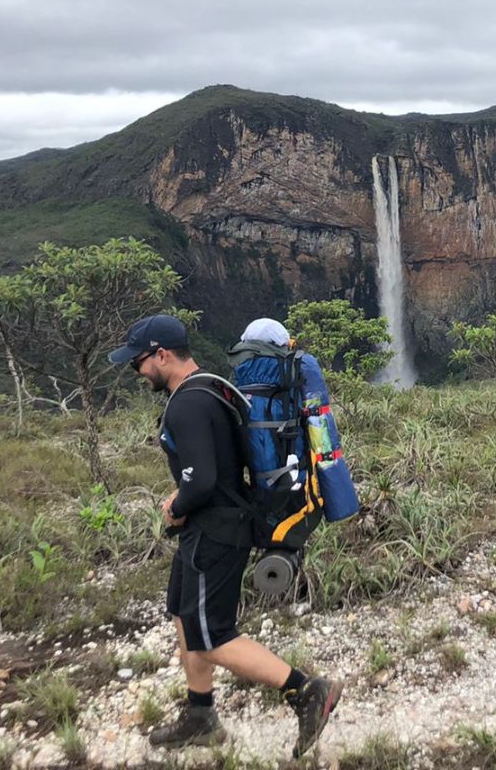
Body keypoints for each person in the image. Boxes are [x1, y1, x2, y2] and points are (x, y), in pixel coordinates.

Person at [108, 314, 342, 755]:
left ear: (161, 355)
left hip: (214, 534)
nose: (136, 372)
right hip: (216, 526)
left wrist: (176, 508)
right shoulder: (212, 387)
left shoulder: (188, 403)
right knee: (183, 614)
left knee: (212, 634)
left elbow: (201, 482)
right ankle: (200, 715)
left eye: (138, 362)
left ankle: (305, 689)